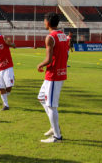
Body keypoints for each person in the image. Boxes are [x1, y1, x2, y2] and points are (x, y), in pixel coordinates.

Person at [37, 12, 68, 143]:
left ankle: (57, 136)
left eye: (44, 21)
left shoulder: (50, 37)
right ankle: (53, 126)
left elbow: (48, 60)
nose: (44, 23)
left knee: (51, 106)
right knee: (41, 98)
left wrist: (40, 64)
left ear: (48, 22)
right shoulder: (63, 35)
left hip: (53, 75)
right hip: (57, 73)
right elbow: (66, 55)